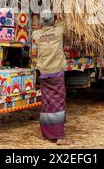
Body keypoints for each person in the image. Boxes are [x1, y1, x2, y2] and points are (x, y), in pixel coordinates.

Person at [32, 9, 73, 145]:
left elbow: (38, 28)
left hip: (44, 73)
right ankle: (59, 137)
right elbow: (64, 24)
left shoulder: (36, 34)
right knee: (58, 103)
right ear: (53, 20)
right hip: (56, 73)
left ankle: (47, 134)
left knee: (47, 103)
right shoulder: (59, 31)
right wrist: (58, 15)